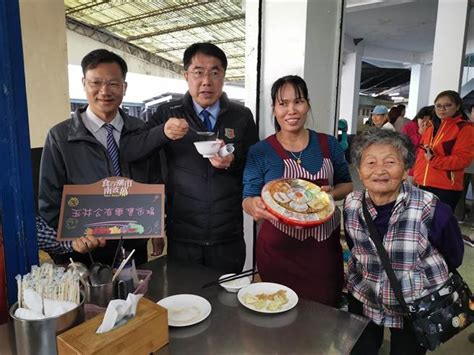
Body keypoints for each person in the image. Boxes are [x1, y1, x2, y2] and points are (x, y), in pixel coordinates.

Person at [122, 42, 258, 273]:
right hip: (183, 237)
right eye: (198, 72)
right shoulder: (168, 113)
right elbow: (130, 150)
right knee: (186, 302)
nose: (206, 81)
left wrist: (232, 162)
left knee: (227, 303)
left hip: (228, 237)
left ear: (223, 76)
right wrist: (161, 132)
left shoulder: (241, 116)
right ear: (186, 75)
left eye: (215, 72)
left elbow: (255, 166)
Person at [344, 128, 464, 355]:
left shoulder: (431, 207)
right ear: (359, 171)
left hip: (415, 304)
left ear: (406, 168)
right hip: (364, 295)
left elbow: (453, 255)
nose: (379, 170)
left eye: (390, 162)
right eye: (370, 163)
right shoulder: (351, 204)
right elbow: (355, 246)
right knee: (360, 350)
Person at [38, 49, 161, 266]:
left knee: (137, 298)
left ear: (124, 87)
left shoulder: (142, 131)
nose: (104, 91)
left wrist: (157, 227)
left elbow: (155, 182)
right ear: (84, 83)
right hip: (84, 253)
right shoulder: (60, 137)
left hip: (133, 248)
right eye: (96, 82)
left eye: (113, 83)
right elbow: (49, 200)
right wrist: (70, 239)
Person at [242, 75, 353, 306]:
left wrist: (328, 195)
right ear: (273, 108)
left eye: (298, 101)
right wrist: (255, 206)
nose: (291, 110)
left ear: (308, 104)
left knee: (324, 310)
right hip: (279, 250)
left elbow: (347, 184)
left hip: (323, 250)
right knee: (278, 307)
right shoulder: (260, 151)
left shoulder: (328, 144)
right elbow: (248, 197)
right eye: (283, 104)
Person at [413, 90, 474, 212]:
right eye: (438, 106)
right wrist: (416, 176)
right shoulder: (430, 127)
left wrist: (434, 160)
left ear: (457, 107)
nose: (442, 109)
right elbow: (423, 153)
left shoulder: (464, 128)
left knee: (438, 227)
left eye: (447, 105)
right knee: (420, 226)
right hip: (421, 183)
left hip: (444, 188)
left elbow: (462, 160)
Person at [400, 105, 433, 179]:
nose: (424, 123)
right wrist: (420, 134)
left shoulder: (433, 129)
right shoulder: (409, 127)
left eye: (428, 121)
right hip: (410, 169)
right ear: (418, 118)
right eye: (422, 120)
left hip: (424, 170)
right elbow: (406, 146)